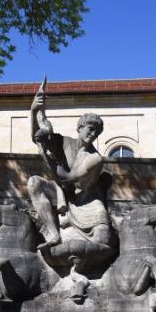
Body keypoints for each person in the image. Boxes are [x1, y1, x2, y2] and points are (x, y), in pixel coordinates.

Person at [28, 88, 113, 259]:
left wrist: (45, 155)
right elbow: (39, 135)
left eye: (97, 132)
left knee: (102, 234)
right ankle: (53, 234)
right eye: (90, 129)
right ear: (80, 127)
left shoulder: (94, 158)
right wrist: (34, 111)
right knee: (34, 183)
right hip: (61, 192)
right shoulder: (64, 142)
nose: (93, 134)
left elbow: (67, 178)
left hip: (85, 199)